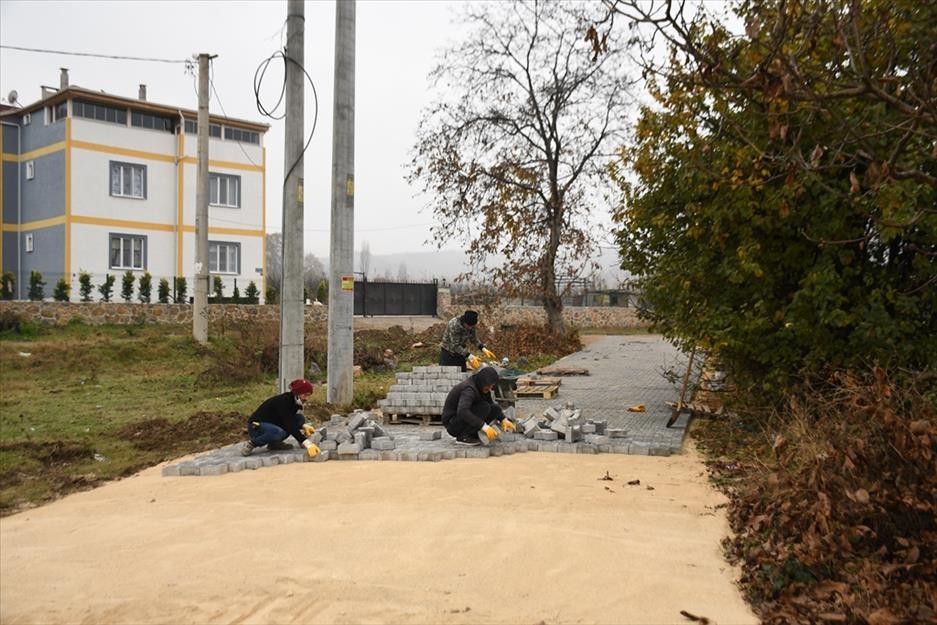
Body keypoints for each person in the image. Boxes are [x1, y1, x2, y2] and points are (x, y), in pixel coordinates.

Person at [240, 379, 320, 457]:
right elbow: (289, 425)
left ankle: (274, 444)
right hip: (256, 427)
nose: (307, 398)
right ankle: (251, 444)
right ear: (297, 393)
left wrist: (303, 426)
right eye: (305, 395)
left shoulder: (294, 402)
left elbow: (289, 420)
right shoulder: (284, 401)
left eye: (309, 395)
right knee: (278, 432)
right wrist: (306, 442)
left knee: (299, 418)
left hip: (271, 424)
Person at [441, 366, 516, 446]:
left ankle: (472, 433)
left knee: (495, 408)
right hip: (453, 425)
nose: (490, 388)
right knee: (484, 407)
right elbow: (462, 411)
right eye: (488, 385)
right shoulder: (469, 389)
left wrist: (503, 419)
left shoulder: (482, 387)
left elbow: (492, 405)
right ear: (482, 381)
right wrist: (484, 426)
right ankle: (463, 437)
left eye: (492, 385)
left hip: (461, 420)